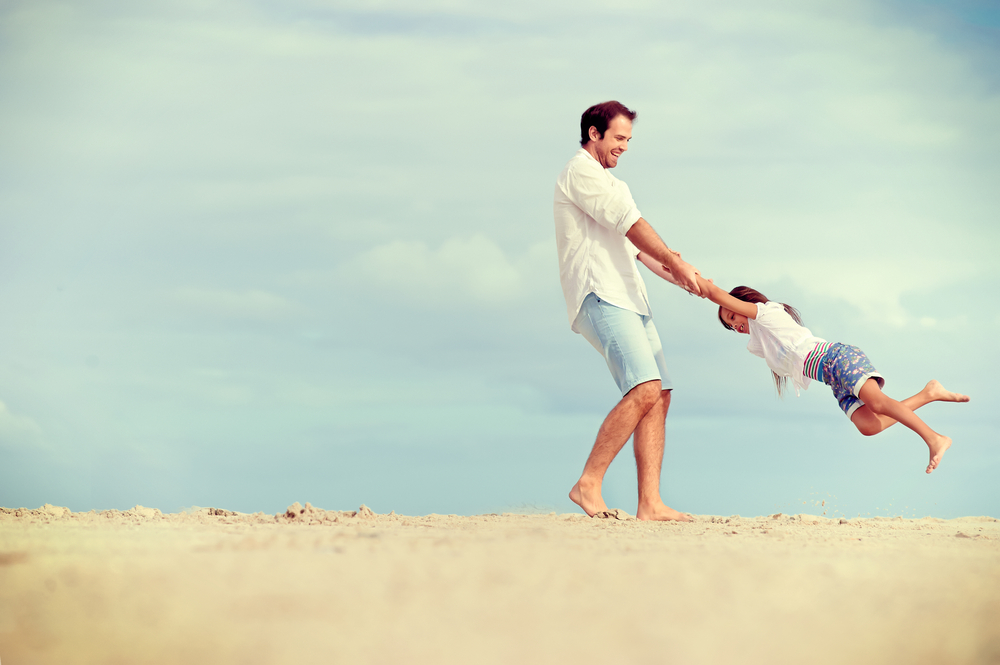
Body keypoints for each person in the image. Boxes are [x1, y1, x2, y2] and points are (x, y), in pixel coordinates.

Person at [554, 101, 703, 521]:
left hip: (631, 298)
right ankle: (588, 483)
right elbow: (630, 223)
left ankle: (650, 504)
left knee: (660, 394)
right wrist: (675, 262)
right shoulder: (579, 172)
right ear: (594, 133)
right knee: (644, 387)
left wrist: (682, 276)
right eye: (619, 138)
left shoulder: (614, 185)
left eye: (628, 140)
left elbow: (638, 249)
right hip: (599, 293)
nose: (624, 147)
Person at [697, 278, 970, 474]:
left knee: (878, 403)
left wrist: (693, 280)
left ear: (745, 303)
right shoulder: (762, 340)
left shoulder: (766, 314)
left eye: (734, 316)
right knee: (869, 426)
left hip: (838, 359)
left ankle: (935, 439)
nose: (736, 325)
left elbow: (717, 294)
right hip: (832, 379)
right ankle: (929, 393)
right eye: (730, 325)